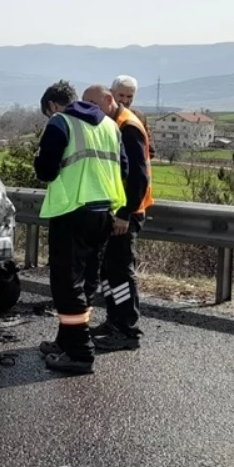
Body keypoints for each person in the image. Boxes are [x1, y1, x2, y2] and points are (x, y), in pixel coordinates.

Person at [34, 80, 127, 374]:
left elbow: (46, 171)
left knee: (66, 284)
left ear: (51, 105)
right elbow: (123, 169)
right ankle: (66, 340)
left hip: (72, 210)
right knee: (86, 281)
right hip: (103, 212)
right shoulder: (110, 126)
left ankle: (79, 352)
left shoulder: (60, 123)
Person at [84, 79, 154, 352]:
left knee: (121, 272)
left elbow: (138, 176)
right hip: (117, 210)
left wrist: (125, 214)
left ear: (108, 100)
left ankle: (127, 330)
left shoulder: (128, 126)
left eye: (93, 105)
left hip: (128, 212)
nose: (90, 110)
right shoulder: (115, 123)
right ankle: (115, 322)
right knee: (110, 270)